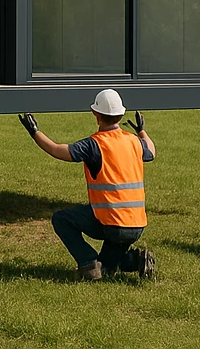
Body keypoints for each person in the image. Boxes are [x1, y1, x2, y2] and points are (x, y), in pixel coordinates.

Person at [18, 89, 157, 282]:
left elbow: (58, 150)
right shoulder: (134, 141)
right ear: (121, 114)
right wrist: (141, 130)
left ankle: (88, 263)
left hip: (111, 223)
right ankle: (135, 261)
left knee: (61, 219)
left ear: (96, 114)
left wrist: (35, 132)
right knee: (107, 268)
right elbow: (151, 150)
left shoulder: (94, 144)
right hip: (136, 224)